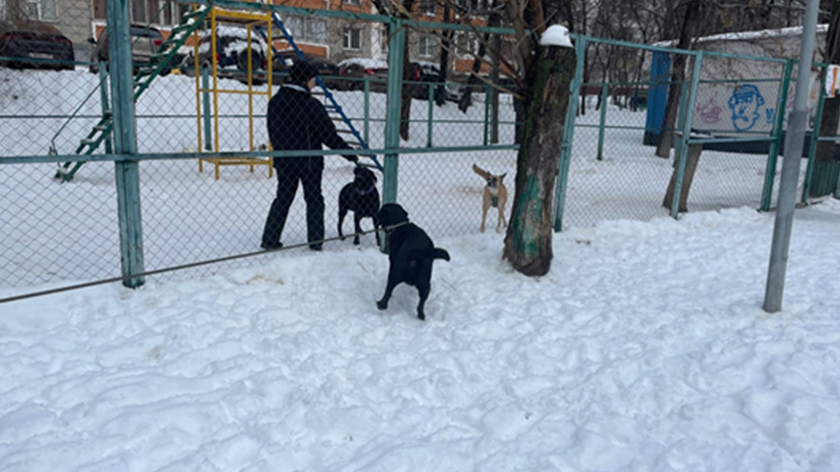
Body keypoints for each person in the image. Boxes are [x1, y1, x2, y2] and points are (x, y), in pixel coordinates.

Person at [261, 62, 358, 251]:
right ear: (305, 80)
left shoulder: (275, 102)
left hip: (284, 160)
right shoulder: (311, 104)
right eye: (313, 79)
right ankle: (315, 241)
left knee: (283, 198)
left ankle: (270, 239)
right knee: (314, 200)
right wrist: (348, 153)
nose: (315, 82)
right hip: (310, 162)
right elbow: (328, 134)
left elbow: (273, 132)